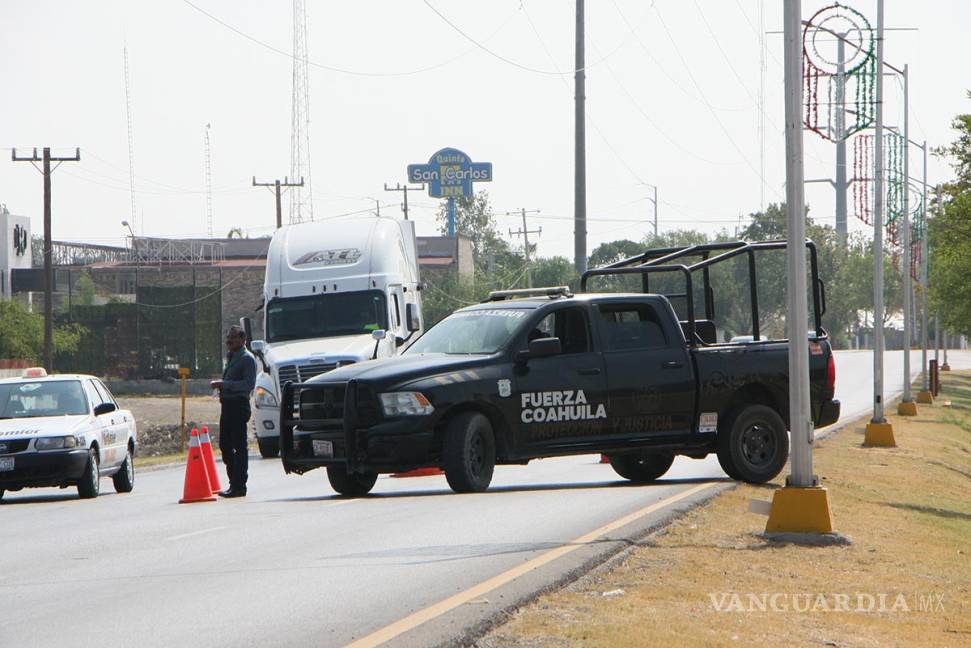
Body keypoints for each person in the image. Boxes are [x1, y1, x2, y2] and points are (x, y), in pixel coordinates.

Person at [210, 325, 257, 498]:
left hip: (239, 405)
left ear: (243, 340)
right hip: (227, 405)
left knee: (239, 446)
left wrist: (225, 384)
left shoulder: (247, 359)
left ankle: (240, 486)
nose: (229, 341)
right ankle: (233, 483)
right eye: (228, 337)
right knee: (225, 445)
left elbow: (248, 385)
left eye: (233, 337)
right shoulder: (231, 357)